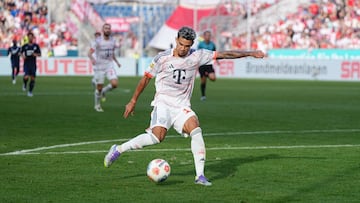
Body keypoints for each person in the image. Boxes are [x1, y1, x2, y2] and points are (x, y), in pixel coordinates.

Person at [103, 26, 265, 186]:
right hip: (163, 103)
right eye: (181, 44)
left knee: (196, 129)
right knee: (156, 138)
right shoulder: (162, 58)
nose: (183, 48)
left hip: (181, 106)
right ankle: (118, 149)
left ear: (192, 44)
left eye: (187, 46)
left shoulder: (197, 56)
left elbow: (225, 54)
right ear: (176, 40)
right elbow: (146, 78)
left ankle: (200, 176)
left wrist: (251, 53)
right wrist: (133, 101)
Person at [88, 24, 121, 112]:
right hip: (99, 66)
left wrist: (117, 62)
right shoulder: (98, 41)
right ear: (103, 30)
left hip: (109, 65)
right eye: (106, 28)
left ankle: (104, 91)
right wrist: (92, 59)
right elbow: (89, 53)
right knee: (99, 87)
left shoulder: (113, 41)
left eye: (109, 28)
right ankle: (97, 105)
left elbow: (112, 53)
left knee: (115, 84)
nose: (107, 30)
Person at [197, 30, 218, 101]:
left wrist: (217, 60)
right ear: (204, 36)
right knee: (203, 82)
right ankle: (203, 96)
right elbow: (198, 54)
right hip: (202, 64)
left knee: (213, 78)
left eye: (209, 35)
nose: (208, 37)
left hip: (209, 64)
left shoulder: (212, 44)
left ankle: (206, 75)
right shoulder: (200, 44)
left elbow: (215, 53)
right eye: (207, 35)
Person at [21, 32, 41, 97]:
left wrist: (35, 54)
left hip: (33, 64)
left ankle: (30, 92)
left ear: (33, 38)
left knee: (32, 78)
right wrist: (23, 56)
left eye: (31, 37)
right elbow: (21, 53)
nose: (30, 38)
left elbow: (39, 54)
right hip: (26, 63)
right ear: (27, 37)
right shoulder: (25, 46)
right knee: (26, 76)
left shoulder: (36, 46)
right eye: (29, 37)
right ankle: (24, 84)